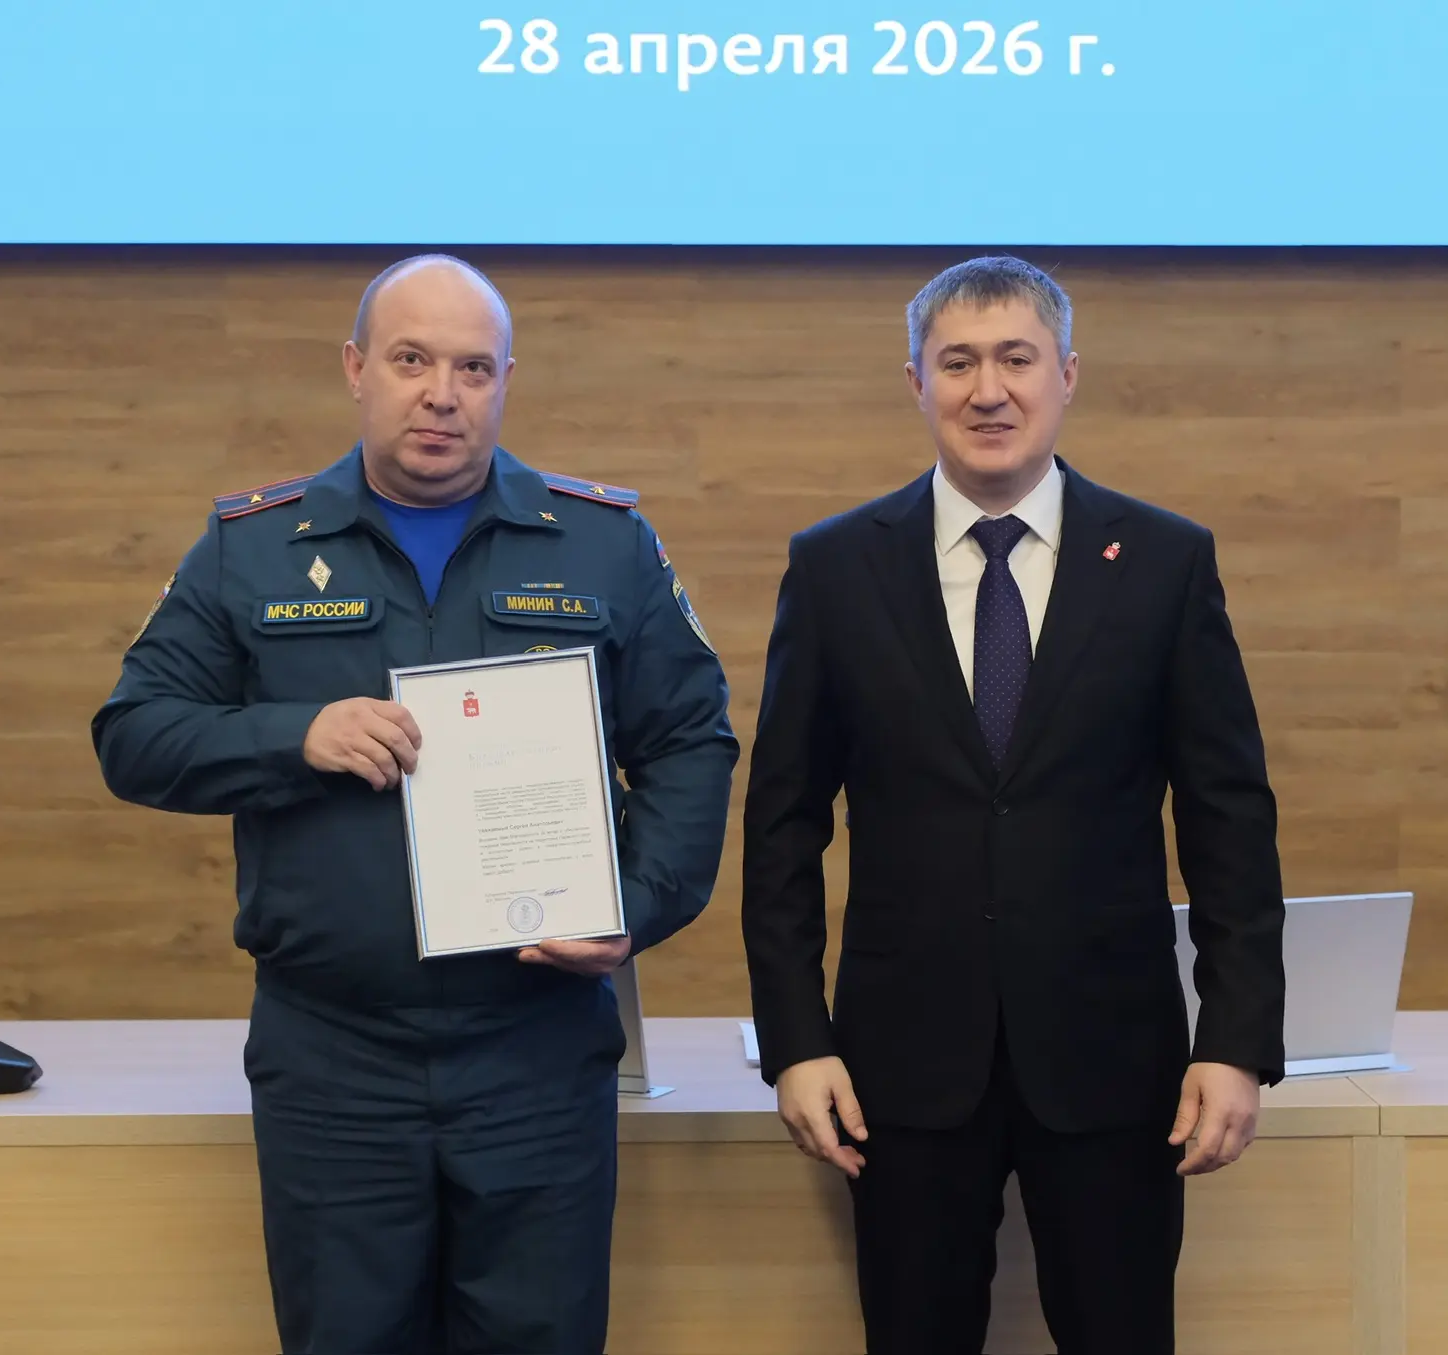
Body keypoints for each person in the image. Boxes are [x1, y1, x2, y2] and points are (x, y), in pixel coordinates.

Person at [92, 254, 738, 1355]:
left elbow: (690, 741)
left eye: (473, 368)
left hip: (534, 1051)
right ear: (357, 369)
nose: (443, 393)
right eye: (411, 360)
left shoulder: (603, 542)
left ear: (505, 382)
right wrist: (293, 736)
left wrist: (636, 907)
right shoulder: (255, 545)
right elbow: (134, 732)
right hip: (335, 1057)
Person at [740, 255, 1285, 1355]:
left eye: (1016, 359)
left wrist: (1235, 1039)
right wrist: (796, 1040)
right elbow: (782, 824)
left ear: (1066, 374)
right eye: (957, 363)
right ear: (917, 382)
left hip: (1114, 1061)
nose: (988, 390)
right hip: (901, 1071)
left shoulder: (1165, 562)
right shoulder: (837, 567)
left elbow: (1228, 817)